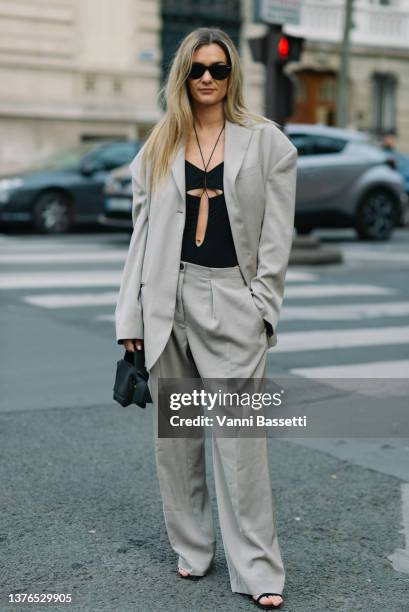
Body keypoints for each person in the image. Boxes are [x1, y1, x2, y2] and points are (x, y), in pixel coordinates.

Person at [115, 27, 298, 610]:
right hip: (167, 298)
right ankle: (192, 548)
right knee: (177, 439)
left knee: (241, 441)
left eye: (219, 69)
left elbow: (277, 235)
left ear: (232, 74)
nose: (208, 80)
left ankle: (259, 571)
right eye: (197, 70)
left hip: (233, 298)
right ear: (183, 76)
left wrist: (263, 306)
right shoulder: (163, 141)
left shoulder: (265, 142)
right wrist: (131, 317)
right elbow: (140, 236)